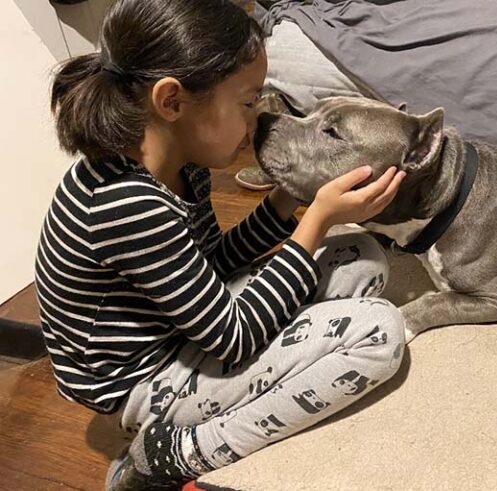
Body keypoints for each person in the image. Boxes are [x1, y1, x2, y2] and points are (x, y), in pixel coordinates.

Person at [38, 0, 407, 489]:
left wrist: (287, 200)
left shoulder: (182, 167)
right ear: (172, 101)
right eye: (249, 102)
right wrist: (315, 221)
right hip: (144, 382)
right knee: (379, 332)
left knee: (360, 255)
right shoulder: (127, 204)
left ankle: (283, 363)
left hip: (186, 332)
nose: (256, 120)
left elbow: (211, 266)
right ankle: (173, 453)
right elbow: (231, 337)